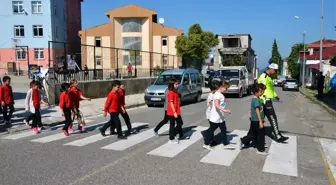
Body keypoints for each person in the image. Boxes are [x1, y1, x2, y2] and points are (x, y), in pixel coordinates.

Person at [257, 63, 288, 143]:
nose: (275, 72)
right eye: (274, 70)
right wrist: (261, 101)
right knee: (272, 118)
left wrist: (276, 96)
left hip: (268, 100)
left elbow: (270, 89)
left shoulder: (269, 78)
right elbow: (259, 90)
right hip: (265, 101)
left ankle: (248, 138)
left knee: (261, 120)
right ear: (270, 69)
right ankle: (277, 136)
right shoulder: (264, 77)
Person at [201, 81, 235, 150]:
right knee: (211, 130)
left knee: (223, 130)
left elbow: (220, 103)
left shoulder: (219, 94)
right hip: (215, 117)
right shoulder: (217, 94)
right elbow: (216, 105)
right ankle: (206, 144)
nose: (227, 90)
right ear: (221, 87)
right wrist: (225, 110)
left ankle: (225, 144)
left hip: (220, 117)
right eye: (226, 88)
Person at [239, 83, 268, 155]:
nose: (262, 92)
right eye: (261, 91)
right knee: (260, 134)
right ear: (255, 92)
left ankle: (244, 141)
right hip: (257, 120)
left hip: (255, 120)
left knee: (253, 134)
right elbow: (257, 111)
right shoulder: (256, 100)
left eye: (263, 91)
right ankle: (261, 149)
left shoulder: (257, 99)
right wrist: (260, 121)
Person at [166, 78, 184, 144]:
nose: (177, 85)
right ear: (172, 85)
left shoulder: (175, 91)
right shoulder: (171, 92)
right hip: (172, 112)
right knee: (174, 124)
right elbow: (171, 103)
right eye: (176, 84)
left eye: (177, 84)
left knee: (178, 123)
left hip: (176, 110)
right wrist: (174, 112)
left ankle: (173, 136)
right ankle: (172, 137)